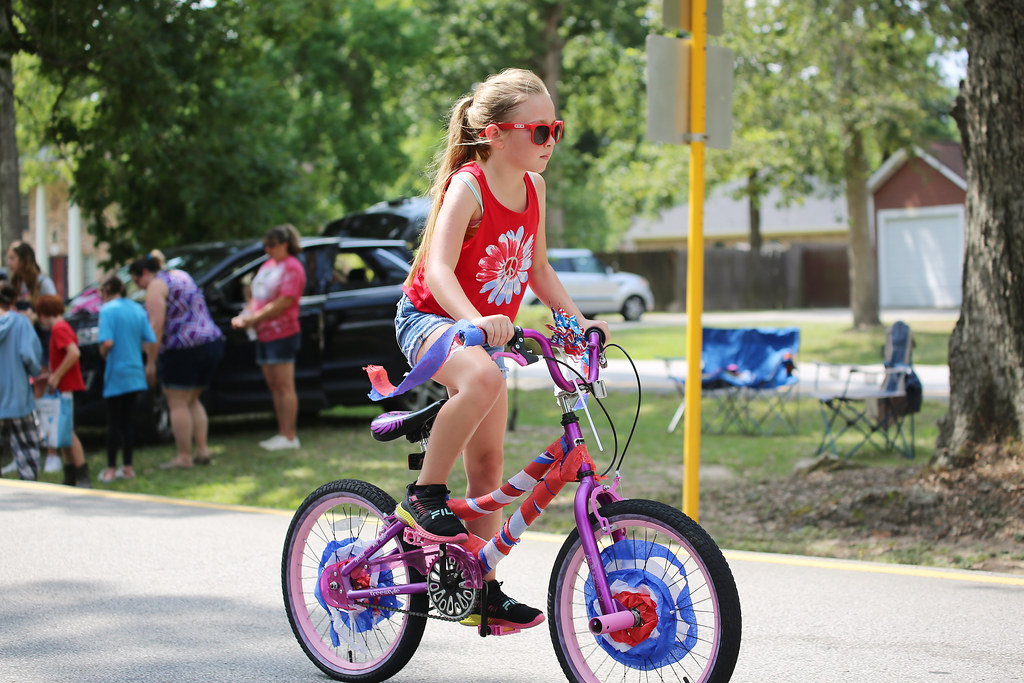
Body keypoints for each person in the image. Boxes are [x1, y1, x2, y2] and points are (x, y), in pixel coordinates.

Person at [391, 68, 609, 630]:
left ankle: (479, 589)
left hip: (485, 338)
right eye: (539, 131)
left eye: (555, 129)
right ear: (493, 133)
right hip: (431, 320)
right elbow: (437, 271)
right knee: (483, 380)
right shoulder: (468, 185)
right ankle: (425, 493)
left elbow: (536, 270)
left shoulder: (534, 189)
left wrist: (577, 323)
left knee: (489, 470)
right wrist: (475, 322)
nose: (550, 142)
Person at [130, 250, 224, 469]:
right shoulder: (180, 275)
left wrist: (150, 361)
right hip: (210, 341)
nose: (140, 288)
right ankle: (202, 451)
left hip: (183, 348)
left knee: (177, 402)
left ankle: (184, 457)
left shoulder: (156, 285)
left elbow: (156, 325)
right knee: (192, 399)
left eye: (137, 282)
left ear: (145, 272)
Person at [231, 224, 307, 451]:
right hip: (262, 333)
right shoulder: (268, 265)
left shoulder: (292, 267)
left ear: (284, 244)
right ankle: (282, 432)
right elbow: (257, 296)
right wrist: (246, 315)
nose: (268, 250)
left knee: (284, 385)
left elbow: (284, 301)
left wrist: (253, 319)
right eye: (265, 246)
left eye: (271, 246)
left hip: (282, 333)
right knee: (274, 385)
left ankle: (290, 435)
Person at [96, 275, 157, 483]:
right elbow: (149, 339)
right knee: (129, 421)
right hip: (134, 372)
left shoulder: (107, 311)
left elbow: (108, 342)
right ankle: (128, 467)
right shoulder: (137, 309)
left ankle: (111, 468)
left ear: (106, 291)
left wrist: (103, 353)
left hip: (116, 373)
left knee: (114, 422)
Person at [6, 241, 58, 471]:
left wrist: (34, 317)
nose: (9, 263)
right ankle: (21, 454)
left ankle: (52, 452)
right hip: (20, 342)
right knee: (27, 398)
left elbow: (55, 313)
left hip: (43, 343)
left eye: (12, 258)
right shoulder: (15, 284)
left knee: (46, 396)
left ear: (25, 260)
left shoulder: (43, 283)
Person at [35, 295, 91, 487]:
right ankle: (71, 475)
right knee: (64, 431)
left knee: (67, 431)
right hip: (63, 386)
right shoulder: (62, 327)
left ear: (43, 314)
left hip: (65, 387)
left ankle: (81, 474)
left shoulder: (59, 328)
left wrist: (57, 375)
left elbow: (74, 352)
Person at [0, 283, 44, 481]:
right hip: (17, 395)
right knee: (25, 448)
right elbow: (29, 356)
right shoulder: (21, 323)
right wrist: (35, 372)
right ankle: (29, 485)